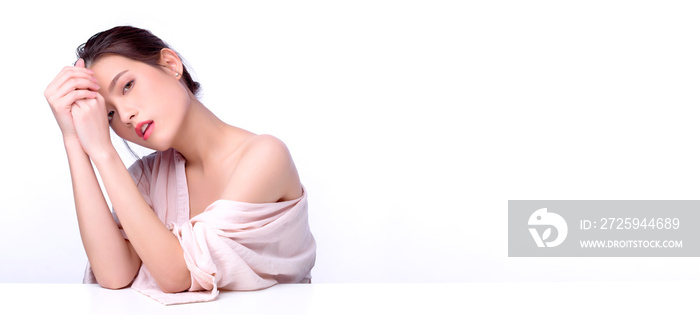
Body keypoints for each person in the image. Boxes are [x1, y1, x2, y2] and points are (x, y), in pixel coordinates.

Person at [43, 26, 316, 304]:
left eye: (127, 85)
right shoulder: (146, 177)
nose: (125, 116)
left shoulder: (265, 156)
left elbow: (179, 275)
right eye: (109, 114)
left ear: (171, 64)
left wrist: (104, 152)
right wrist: (74, 140)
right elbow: (114, 275)